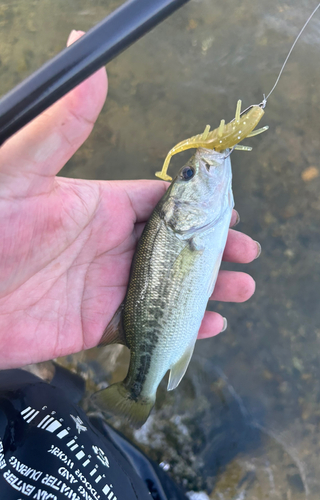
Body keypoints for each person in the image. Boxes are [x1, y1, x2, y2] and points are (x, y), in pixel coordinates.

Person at [0, 30, 260, 499]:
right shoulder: (189, 225)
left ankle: (140, 412)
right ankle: (139, 400)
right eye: (188, 175)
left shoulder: (192, 225)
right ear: (179, 207)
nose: (198, 168)